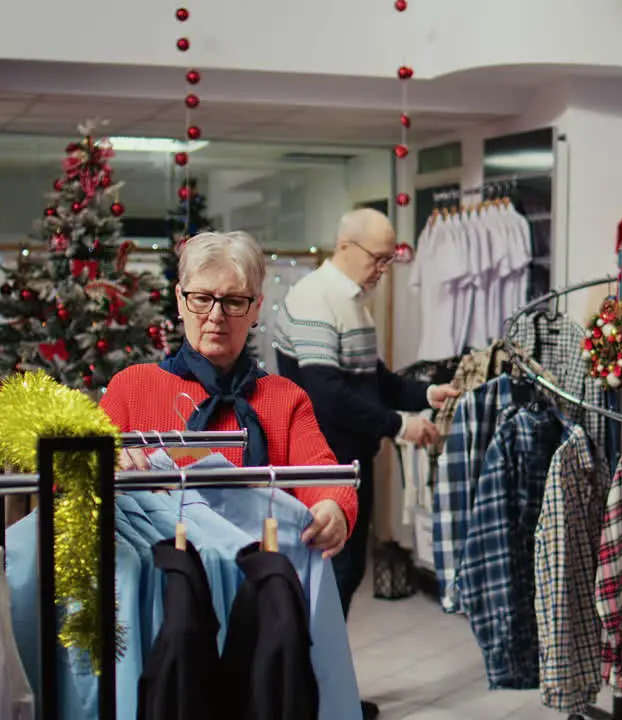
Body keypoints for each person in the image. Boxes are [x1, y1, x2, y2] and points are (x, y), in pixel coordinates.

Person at [274, 208, 459, 719]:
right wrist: (401, 426)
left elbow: (371, 380)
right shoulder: (315, 298)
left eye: (390, 259)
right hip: (323, 468)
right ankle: (314, 697)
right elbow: (326, 397)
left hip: (351, 461)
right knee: (329, 581)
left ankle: (323, 691)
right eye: (379, 257)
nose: (383, 267)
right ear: (346, 246)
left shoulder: (354, 301)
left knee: (346, 576)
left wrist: (427, 393)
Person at [101, 231, 355, 560]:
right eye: (202, 298)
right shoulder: (131, 387)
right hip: (160, 575)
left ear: (256, 309)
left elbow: (320, 472)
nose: (216, 315)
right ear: (180, 300)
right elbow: (73, 477)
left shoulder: (285, 398)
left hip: (257, 579)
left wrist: (332, 506)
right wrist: (107, 462)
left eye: (234, 301)